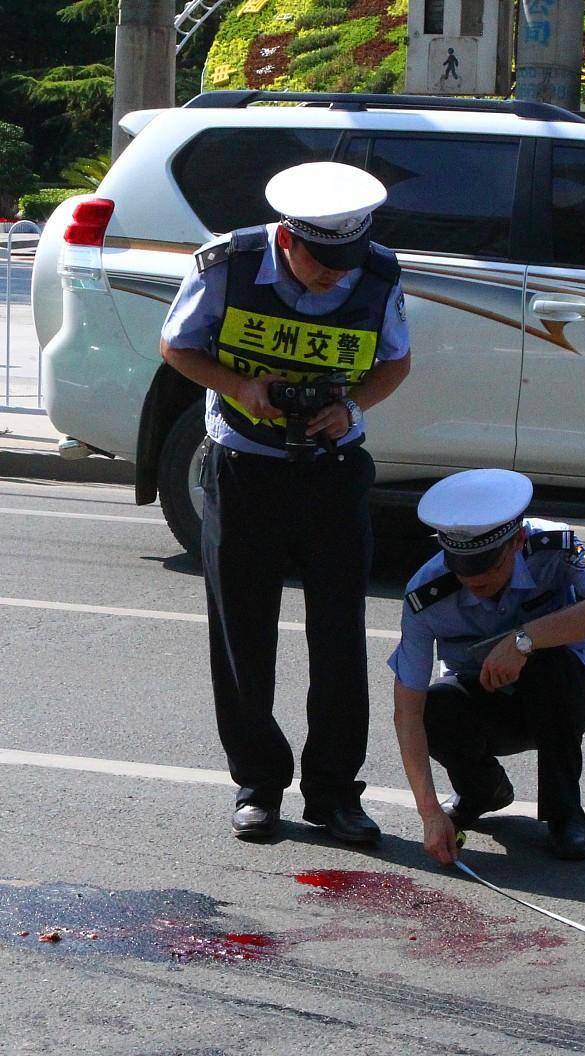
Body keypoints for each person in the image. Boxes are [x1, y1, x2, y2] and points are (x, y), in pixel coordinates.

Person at [159, 161, 411, 843]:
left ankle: (333, 793)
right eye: (323, 263)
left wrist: (351, 406)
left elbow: (395, 361)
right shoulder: (225, 263)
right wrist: (240, 388)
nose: (338, 276)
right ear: (286, 239)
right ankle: (257, 785)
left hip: (334, 473)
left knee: (339, 637)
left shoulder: (378, 273)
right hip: (245, 469)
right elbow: (178, 345)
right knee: (243, 635)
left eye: (347, 261)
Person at [388, 469, 585, 864]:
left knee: (548, 665)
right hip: (487, 700)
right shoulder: (426, 594)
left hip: (564, 695)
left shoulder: (552, 545)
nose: (474, 580)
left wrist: (525, 640)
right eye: (461, 567)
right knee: (435, 707)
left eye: (486, 566)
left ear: (517, 541)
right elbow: (407, 712)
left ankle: (563, 814)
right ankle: (482, 791)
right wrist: (429, 813)